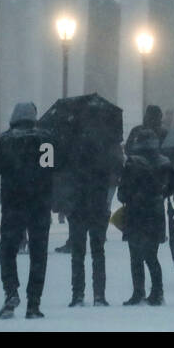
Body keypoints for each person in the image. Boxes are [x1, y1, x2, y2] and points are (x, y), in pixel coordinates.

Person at [0, 101, 53, 319]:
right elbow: (51, 167)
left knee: (7, 249)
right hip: (39, 203)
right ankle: (34, 303)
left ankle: (11, 290)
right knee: (39, 253)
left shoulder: (4, 140)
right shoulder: (46, 140)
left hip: (13, 202)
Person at [67, 118, 123, 307]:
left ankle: (77, 294)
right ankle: (99, 294)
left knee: (78, 252)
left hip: (77, 205)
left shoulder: (71, 146)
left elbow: (61, 171)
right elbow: (118, 168)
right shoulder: (105, 146)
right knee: (98, 251)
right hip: (98, 204)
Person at [118, 126, 174, 305]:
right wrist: (160, 194)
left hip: (135, 214)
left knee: (135, 256)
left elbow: (122, 193)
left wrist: (132, 195)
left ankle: (138, 292)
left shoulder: (132, 163)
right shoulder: (164, 163)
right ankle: (157, 292)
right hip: (155, 213)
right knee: (151, 256)